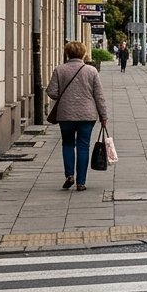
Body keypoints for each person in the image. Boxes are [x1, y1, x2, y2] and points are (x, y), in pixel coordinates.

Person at [45, 41, 109, 192]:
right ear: (83, 53)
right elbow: (99, 96)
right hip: (87, 115)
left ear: (67, 53)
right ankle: (81, 182)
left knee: (67, 144)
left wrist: (64, 95)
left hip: (65, 115)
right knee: (83, 146)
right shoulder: (91, 71)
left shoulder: (59, 70)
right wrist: (103, 116)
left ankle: (69, 175)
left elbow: (51, 92)